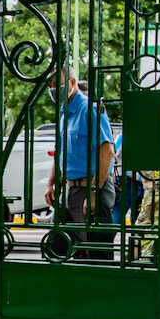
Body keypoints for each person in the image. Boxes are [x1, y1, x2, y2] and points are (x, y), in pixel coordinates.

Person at [46, 68, 115, 259]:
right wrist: (50, 183)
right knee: (56, 251)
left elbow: (107, 151)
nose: (53, 89)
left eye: (56, 84)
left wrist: (93, 191)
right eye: (50, 86)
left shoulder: (88, 108)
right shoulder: (64, 113)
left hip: (92, 189)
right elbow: (60, 152)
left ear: (72, 82)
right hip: (70, 191)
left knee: (97, 255)